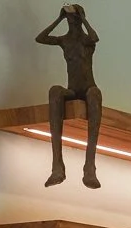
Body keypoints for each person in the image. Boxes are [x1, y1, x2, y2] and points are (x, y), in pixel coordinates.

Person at [39, 5, 102, 189]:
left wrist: (82, 18)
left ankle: (89, 166)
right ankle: (57, 165)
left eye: (75, 19)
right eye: (70, 20)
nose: (72, 22)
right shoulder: (64, 40)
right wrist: (59, 18)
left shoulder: (87, 41)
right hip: (73, 90)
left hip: (88, 88)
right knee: (55, 91)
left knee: (94, 94)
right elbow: (41, 38)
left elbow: (94, 37)